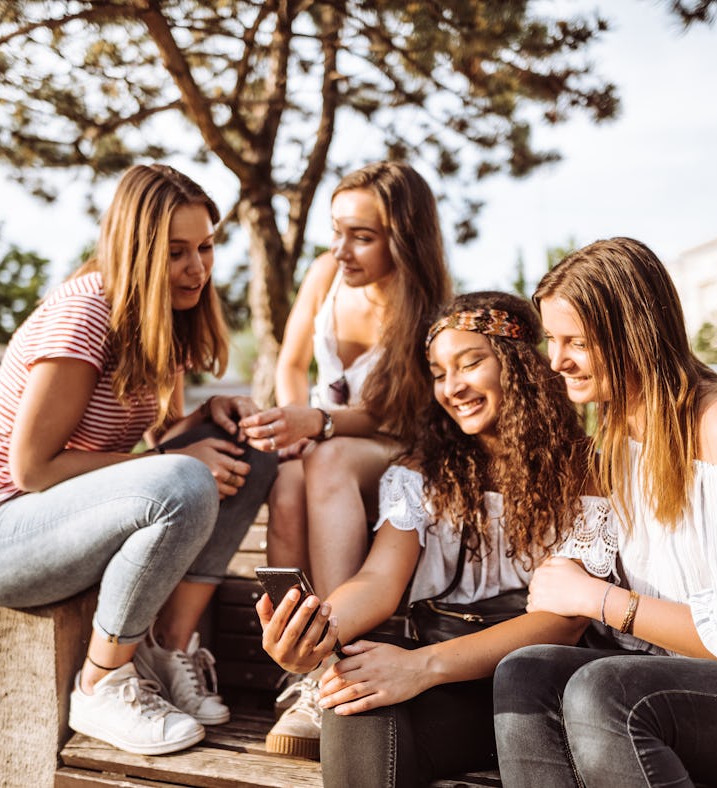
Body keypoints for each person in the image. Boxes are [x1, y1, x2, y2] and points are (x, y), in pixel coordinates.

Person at [0, 164, 278, 756]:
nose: (199, 268)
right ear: (136, 250)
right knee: (184, 477)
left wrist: (215, 416)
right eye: (177, 252)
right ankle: (102, 682)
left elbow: (158, 436)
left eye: (206, 247)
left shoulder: (167, 319)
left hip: (70, 521)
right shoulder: (84, 315)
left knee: (252, 450)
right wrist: (173, 457)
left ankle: (167, 645)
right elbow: (33, 470)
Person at [256, 291, 619, 783]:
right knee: (349, 696)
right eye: (439, 373)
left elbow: (563, 624)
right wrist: (320, 630)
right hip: (449, 684)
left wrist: (421, 667)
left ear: (518, 366)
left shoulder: (586, 470)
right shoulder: (423, 473)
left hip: (544, 693)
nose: (453, 387)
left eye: (470, 363)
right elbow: (379, 580)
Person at [494, 237, 717, 788]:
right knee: (526, 673)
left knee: (605, 692)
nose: (556, 360)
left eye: (575, 341)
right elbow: (564, 591)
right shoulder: (613, 444)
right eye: (552, 340)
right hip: (676, 689)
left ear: (633, 335)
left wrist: (598, 599)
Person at [239, 161, 452, 755]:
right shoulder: (326, 273)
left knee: (326, 462)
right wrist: (294, 421)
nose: (343, 249)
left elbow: (402, 414)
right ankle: (300, 663)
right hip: (326, 439)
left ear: (404, 237)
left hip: (391, 444)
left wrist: (322, 424)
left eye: (363, 236)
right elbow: (289, 362)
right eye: (337, 232)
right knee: (287, 483)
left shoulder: (427, 307)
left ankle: (333, 656)